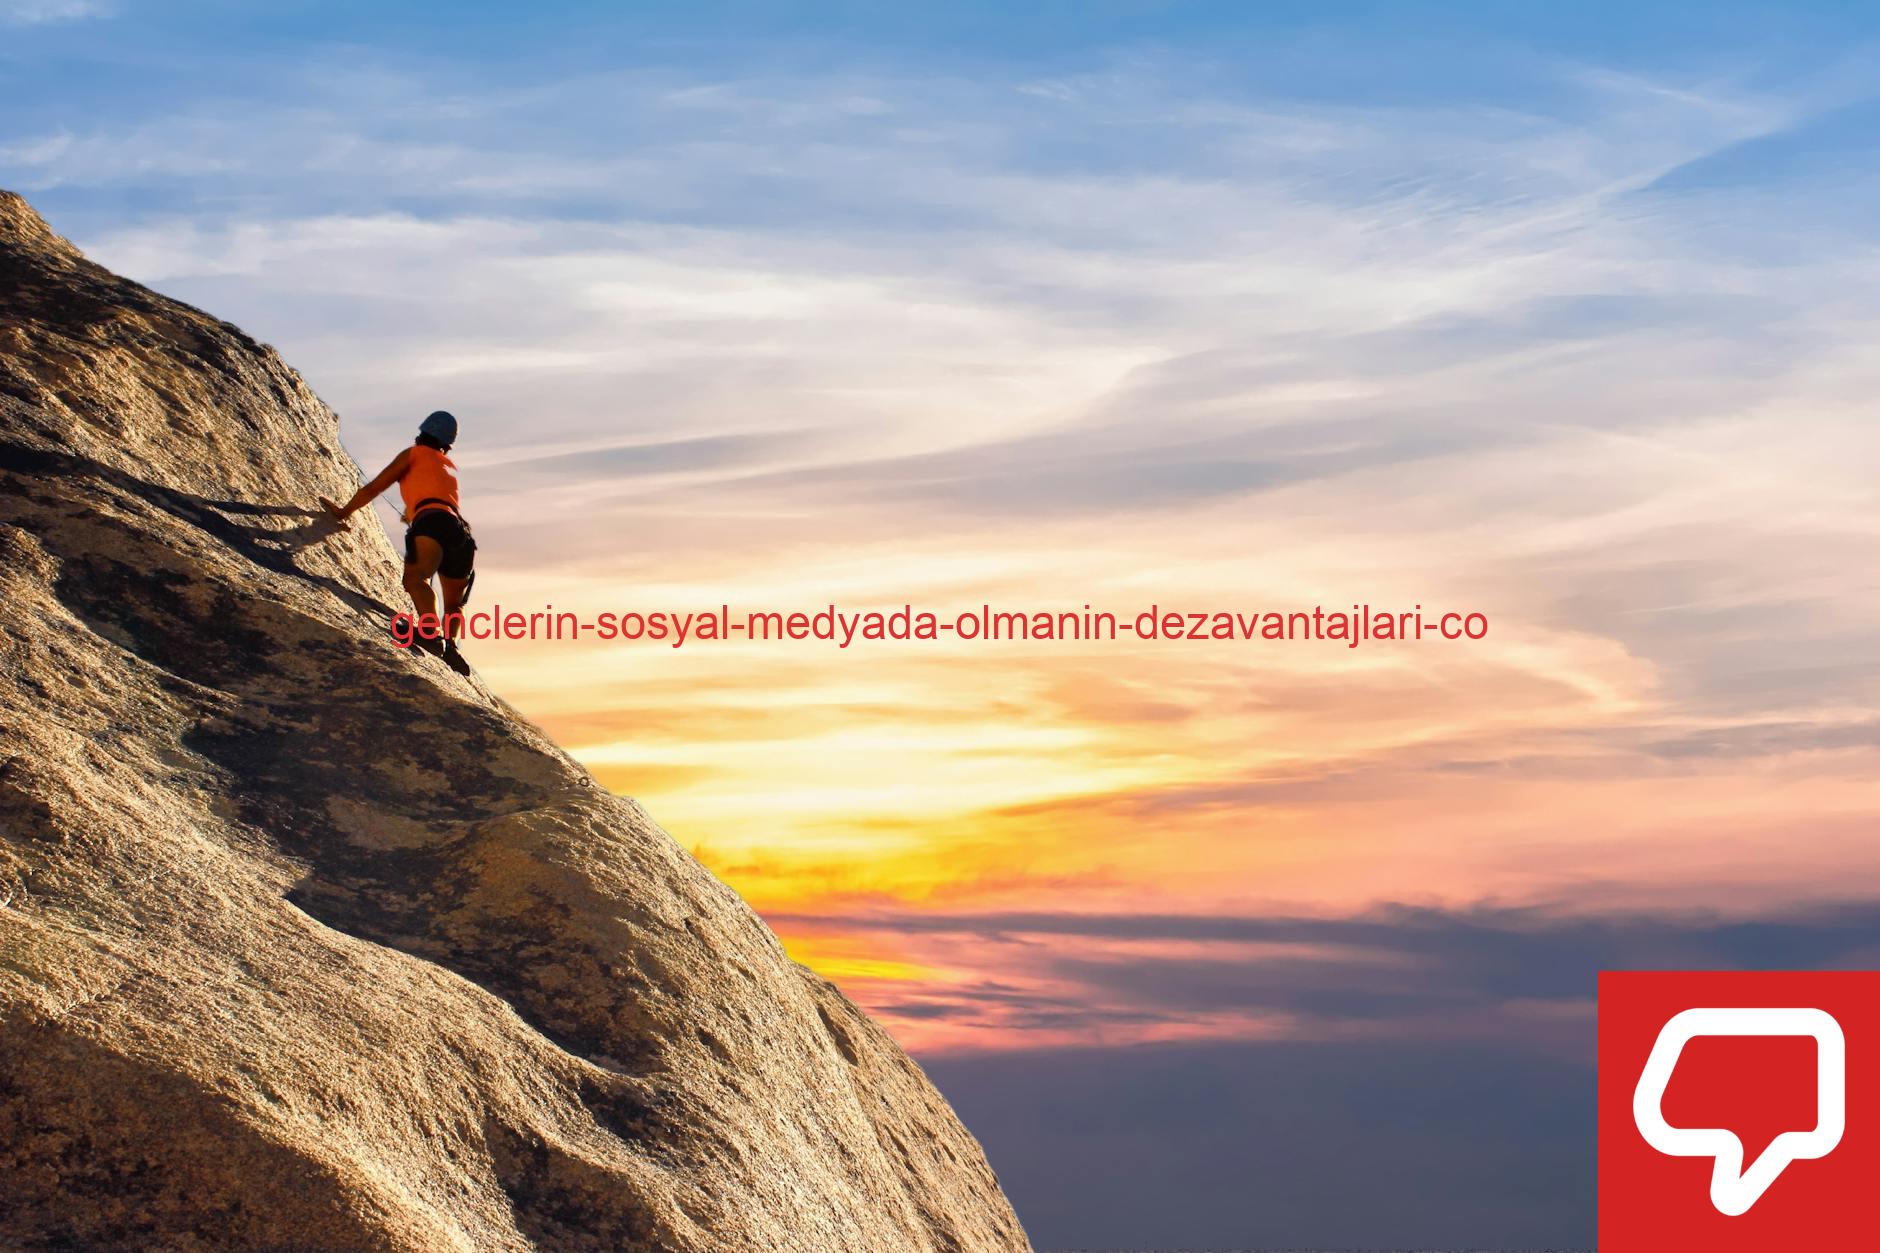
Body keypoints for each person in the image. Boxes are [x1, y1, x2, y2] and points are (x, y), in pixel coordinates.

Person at [322, 410, 476, 676]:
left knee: (416, 580)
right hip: (461, 533)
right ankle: (451, 646)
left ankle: (429, 634)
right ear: (447, 444)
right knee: (454, 603)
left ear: (422, 433)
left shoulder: (412, 455)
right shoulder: (448, 468)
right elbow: (438, 499)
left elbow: (373, 489)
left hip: (432, 522)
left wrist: (342, 512)